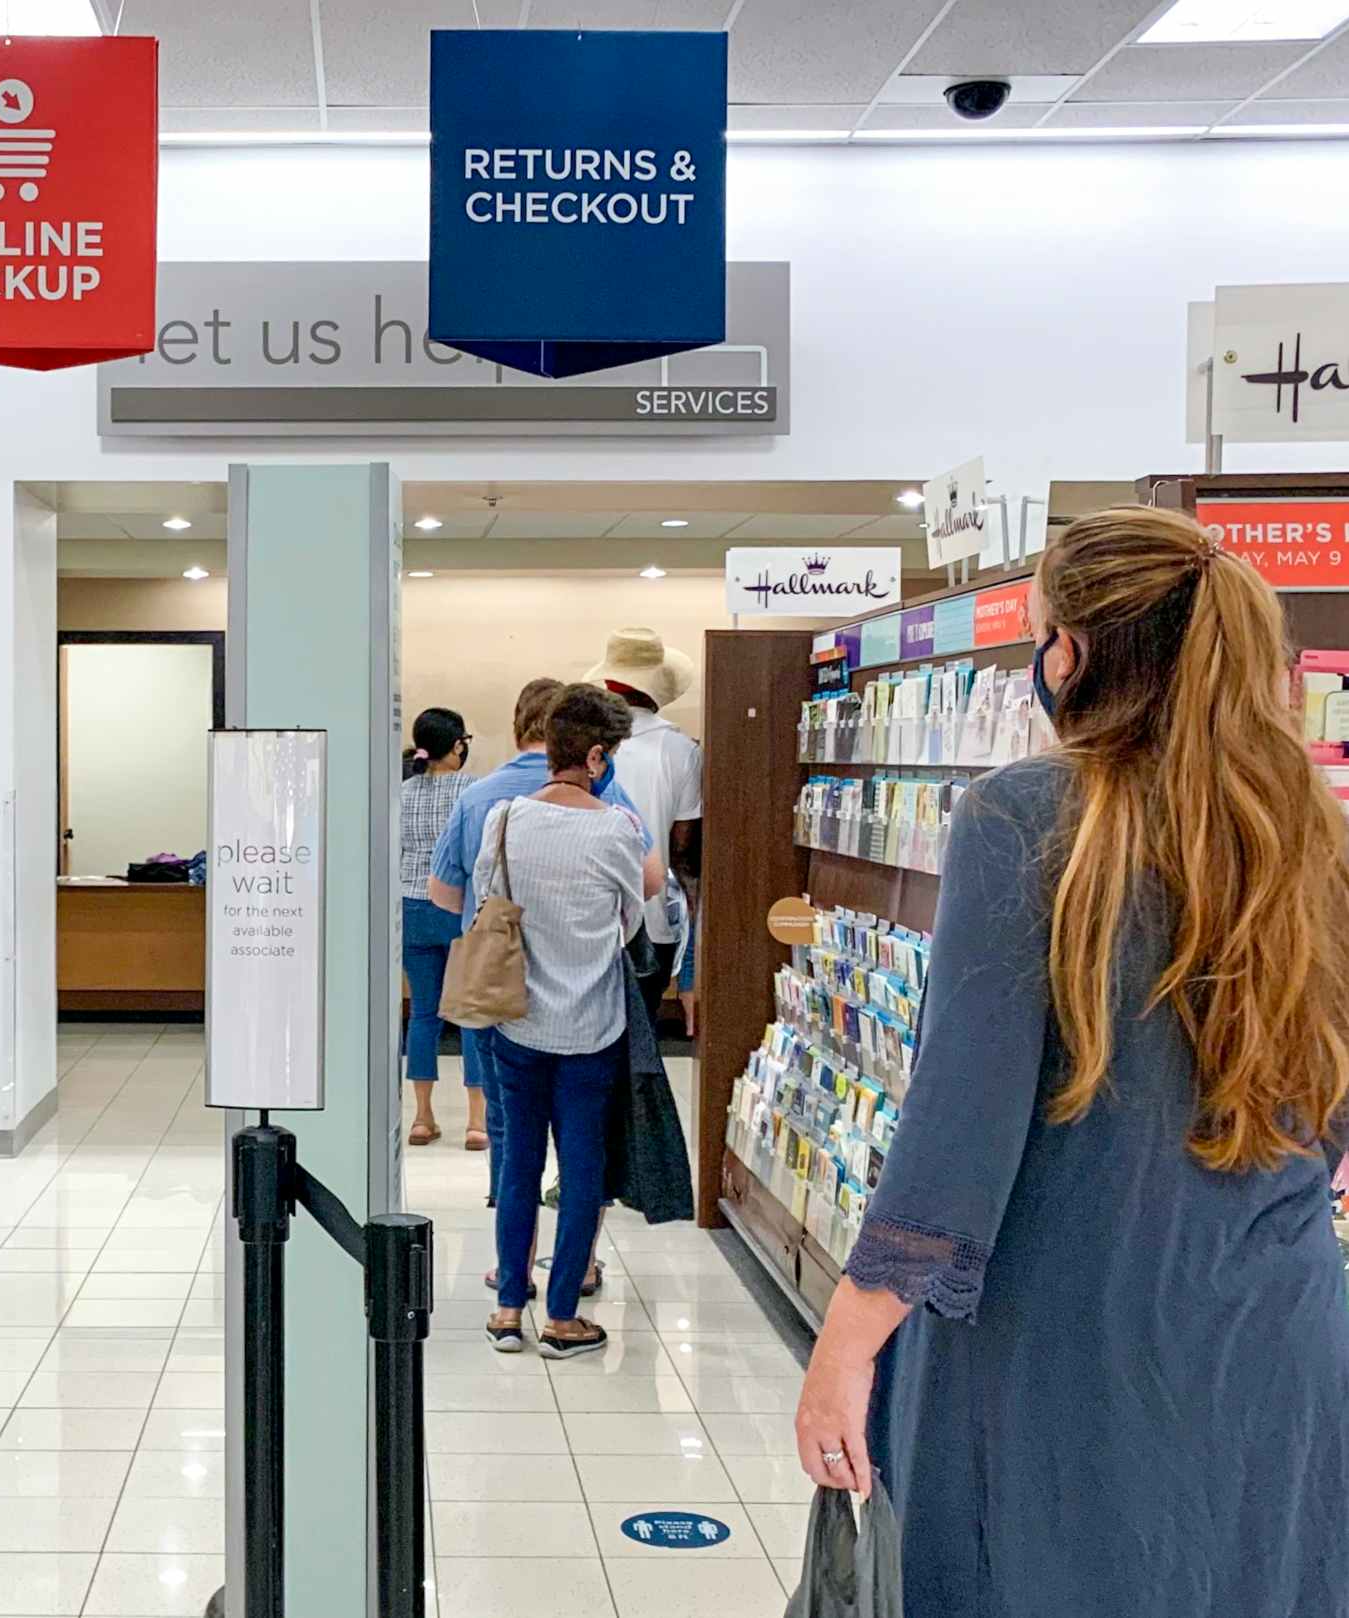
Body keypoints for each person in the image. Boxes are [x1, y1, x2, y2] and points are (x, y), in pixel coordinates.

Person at [794, 507, 1349, 1617]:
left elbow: (960, 1131)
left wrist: (844, 1350)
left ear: (1072, 653)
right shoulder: (1311, 831)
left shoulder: (1026, 815)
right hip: (1274, 1330)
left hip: (1057, 1340)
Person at [429, 679, 662, 1201]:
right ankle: (574, 1235)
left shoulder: (481, 799)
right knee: (583, 1144)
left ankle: (509, 1226)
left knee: (510, 1131)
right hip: (589, 1000)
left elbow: (443, 893)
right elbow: (647, 885)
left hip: (499, 987)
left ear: (521, 727)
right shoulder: (605, 798)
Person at [470, 685, 650, 1357]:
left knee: (518, 1161)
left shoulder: (506, 820)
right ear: (596, 756)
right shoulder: (616, 829)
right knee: (581, 1170)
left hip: (516, 1019)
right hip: (591, 1027)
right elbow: (630, 918)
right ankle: (563, 1316)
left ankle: (507, 1308)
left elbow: (489, 898)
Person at [586, 628, 703, 1031]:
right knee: (642, 1032)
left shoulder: (585, 745)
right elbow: (682, 845)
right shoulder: (682, 750)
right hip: (651, 919)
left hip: (586, 916)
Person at [399, 706, 477, 1147]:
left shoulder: (402, 793)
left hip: (411, 908)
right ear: (457, 745)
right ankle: (476, 1121)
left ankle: (422, 1117)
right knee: (470, 1014)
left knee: (423, 1013)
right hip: (457, 907)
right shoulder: (471, 790)